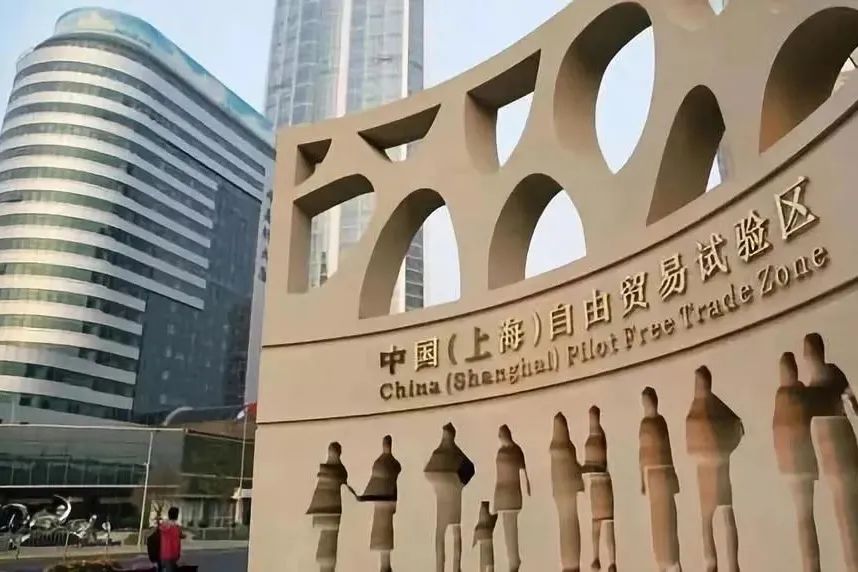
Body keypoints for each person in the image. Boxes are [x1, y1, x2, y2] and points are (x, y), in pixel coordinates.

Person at [686, 366, 743, 572]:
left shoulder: (697, 407)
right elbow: (737, 426)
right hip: (720, 466)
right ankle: (731, 564)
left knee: (708, 520)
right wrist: (726, 449)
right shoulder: (714, 404)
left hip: (706, 471)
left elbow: (690, 445)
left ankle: (713, 564)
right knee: (725, 514)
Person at [639, 387, 682, 572]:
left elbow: (663, 451)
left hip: (660, 475)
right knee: (660, 521)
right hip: (655, 477)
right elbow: (642, 455)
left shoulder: (656, 422)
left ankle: (671, 563)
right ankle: (664, 563)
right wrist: (643, 480)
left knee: (666, 520)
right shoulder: (650, 423)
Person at [158, 506, 184, 572]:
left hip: (165, 554)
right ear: (177, 515)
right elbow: (181, 536)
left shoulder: (164, 525)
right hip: (172, 555)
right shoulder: (177, 527)